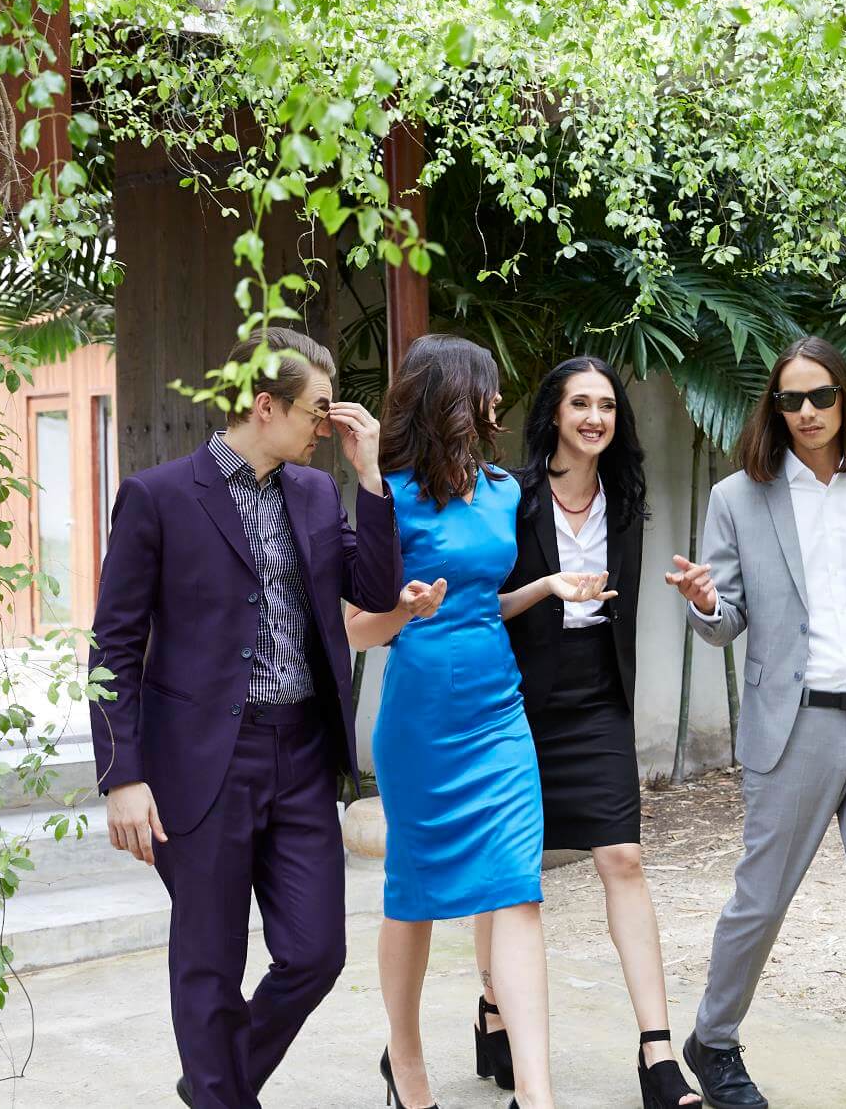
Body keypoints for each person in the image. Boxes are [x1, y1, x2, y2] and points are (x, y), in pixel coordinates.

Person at [89, 327, 402, 1109]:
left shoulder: (317, 491)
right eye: (318, 411)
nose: (327, 426)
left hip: (300, 752)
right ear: (266, 407)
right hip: (200, 762)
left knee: (314, 952)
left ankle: (212, 1087)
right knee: (208, 961)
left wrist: (371, 477)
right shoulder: (158, 496)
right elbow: (112, 647)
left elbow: (375, 587)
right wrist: (122, 774)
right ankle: (224, 1094)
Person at [665, 336, 846, 1109]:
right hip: (792, 732)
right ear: (774, 409)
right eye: (791, 400)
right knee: (760, 902)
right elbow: (728, 620)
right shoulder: (738, 497)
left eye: (821, 396)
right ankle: (712, 1039)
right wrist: (704, 600)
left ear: (844, 399)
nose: (807, 413)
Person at [345, 334, 607, 1109]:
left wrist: (547, 586)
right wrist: (403, 608)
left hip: (499, 714)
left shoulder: (500, 491)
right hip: (421, 723)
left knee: (517, 890)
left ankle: (537, 1094)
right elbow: (356, 628)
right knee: (415, 896)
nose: (498, 403)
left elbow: (479, 602)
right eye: (487, 390)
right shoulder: (387, 494)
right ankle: (409, 1067)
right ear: (451, 398)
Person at [475, 357, 701, 1109]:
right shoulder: (509, 496)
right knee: (509, 870)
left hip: (599, 694)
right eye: (580, 404)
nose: (595, 417)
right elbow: (483, 603)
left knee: (624, 858)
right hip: (516, 697)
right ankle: (492, 1006)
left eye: (606, 405)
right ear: (555, 414)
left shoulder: (625, 499)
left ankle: (658, 1054)